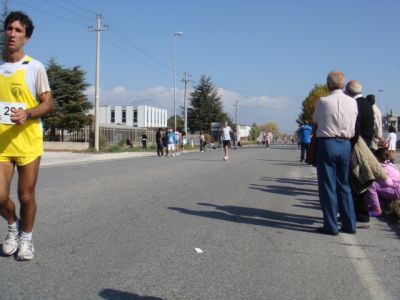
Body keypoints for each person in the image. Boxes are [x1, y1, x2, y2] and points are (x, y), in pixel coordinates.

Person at [0, 11, 54, 260]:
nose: (12, 34)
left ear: (27, 38)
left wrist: (28, 113)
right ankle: (13, 227)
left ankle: (27, 238)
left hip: (28, 141)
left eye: (18, 30)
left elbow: (47, 103)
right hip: (1, 142)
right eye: (9, 29)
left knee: (26, 195)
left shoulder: (35, 67)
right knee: (0, 196)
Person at [313, 71, 358, 235]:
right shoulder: (353, 102)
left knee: (327, 185)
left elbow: (316, 121)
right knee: (344, 185)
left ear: (328, 84)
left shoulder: (323, 101)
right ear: (343, 84)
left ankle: (331, 225)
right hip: (345, 143)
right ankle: (350, 224)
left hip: (327, 143)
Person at [345, 80, 375, 229]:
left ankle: (360, 215)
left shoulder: (356, 104)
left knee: (356, 179)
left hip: (358, 146)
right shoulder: (367, 104)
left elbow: (355, 129)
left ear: (348, 92)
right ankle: (361, 215)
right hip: (366, 144)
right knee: (361, 179)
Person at [368, 147, 400, 217]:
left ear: (378, 158)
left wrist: (379, 181)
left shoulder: (382, 168)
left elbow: (389, 183)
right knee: (377, 186)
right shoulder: (390, 164)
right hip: (397, 188)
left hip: (397, 190)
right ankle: (377, 205)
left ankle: (377, 210)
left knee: (372, 185)